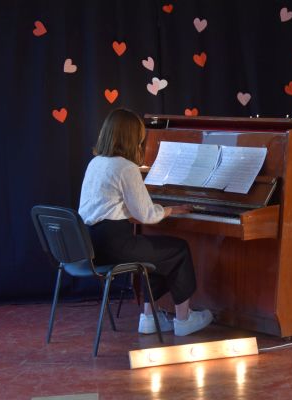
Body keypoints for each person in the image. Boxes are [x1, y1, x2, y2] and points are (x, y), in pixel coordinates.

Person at [78, 108, 213, 337]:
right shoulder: (126, 167)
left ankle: (149, 318)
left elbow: (106, 207)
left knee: (155, 252)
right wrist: (171, 209)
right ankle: (184, 319)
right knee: (178, 249)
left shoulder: (96, 162)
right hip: (115, 247)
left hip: (92, 245)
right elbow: (147, 215)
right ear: (132, 137)